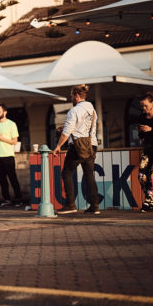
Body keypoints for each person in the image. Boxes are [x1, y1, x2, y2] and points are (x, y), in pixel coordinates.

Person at [52, 84, 100, 215]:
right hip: (92, 144)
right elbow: (84, 126)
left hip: (78, 146)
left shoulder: (73, 111)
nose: (71, 98)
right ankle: (95, 206)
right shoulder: (92, 109)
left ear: (77, 96)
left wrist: (58, 146)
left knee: (66, 173)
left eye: (72, 96)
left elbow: (66, 133)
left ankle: (70, 204)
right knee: (89, 175)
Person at [0, 104, 24, 208]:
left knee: (13, 178)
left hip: (8, 155)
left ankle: (18, 199)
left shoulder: (11, 124)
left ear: (5, 112)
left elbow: (15, 141)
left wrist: (2, 138)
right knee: (2, 179)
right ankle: (6, 199)